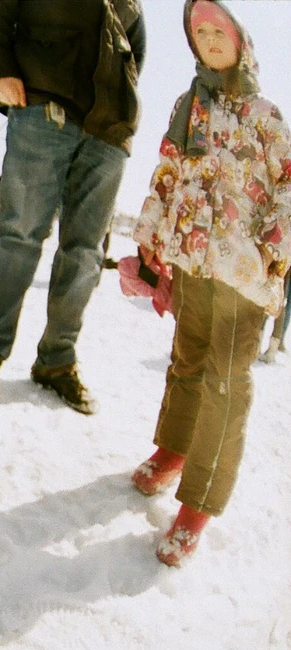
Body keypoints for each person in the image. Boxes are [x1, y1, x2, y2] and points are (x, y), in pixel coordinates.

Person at [130, 0, 291, 566]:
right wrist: (149, 247)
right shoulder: (187, 107)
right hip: (193, 266)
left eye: (216, 29)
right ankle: (173, 448)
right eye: (198, 32)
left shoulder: (268, 116)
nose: (208, 38)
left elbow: (288, 194)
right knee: (187, 361)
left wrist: (271, 257)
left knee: (226, 383)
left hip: (243, 278)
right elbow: (166, 177)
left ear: (239, 39)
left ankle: (198, 503)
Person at [0, 0, 146, 414]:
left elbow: (135, 51)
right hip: (42, 108)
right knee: (19, 235)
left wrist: (121, 114)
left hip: (108, 130)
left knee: (85, 252)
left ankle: (57, 360)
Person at [260, 270, 291, 363]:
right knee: (282, 304)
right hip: (285, 268)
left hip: (280, 267)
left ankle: (258, 347)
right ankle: (272, 351)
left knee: (268, 300)